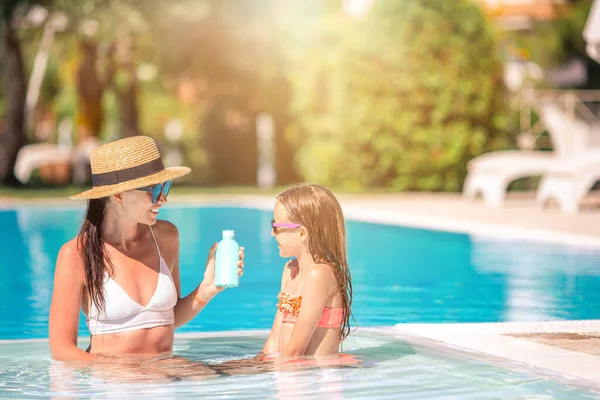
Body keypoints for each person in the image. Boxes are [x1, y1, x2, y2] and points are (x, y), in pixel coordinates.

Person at [48, 136, 244, 363]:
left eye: (165, 187)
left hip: (164, 373)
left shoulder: (166, 237)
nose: (163, 199)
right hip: (111, 383)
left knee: (255, 369)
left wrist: (206, 290)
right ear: (118, 194)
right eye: (153, 189)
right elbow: (61, 349)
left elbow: (167, 318)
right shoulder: (76, 255)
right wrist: (132, 371)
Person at [259, 183, 353, 360]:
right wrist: (253, 364)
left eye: (276, 226)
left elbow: (296, 350)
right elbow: (272, 343)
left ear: (301, 233)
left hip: (315, 378)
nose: (272, 234)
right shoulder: (290, 271)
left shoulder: (319, 275)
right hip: (291, 367)